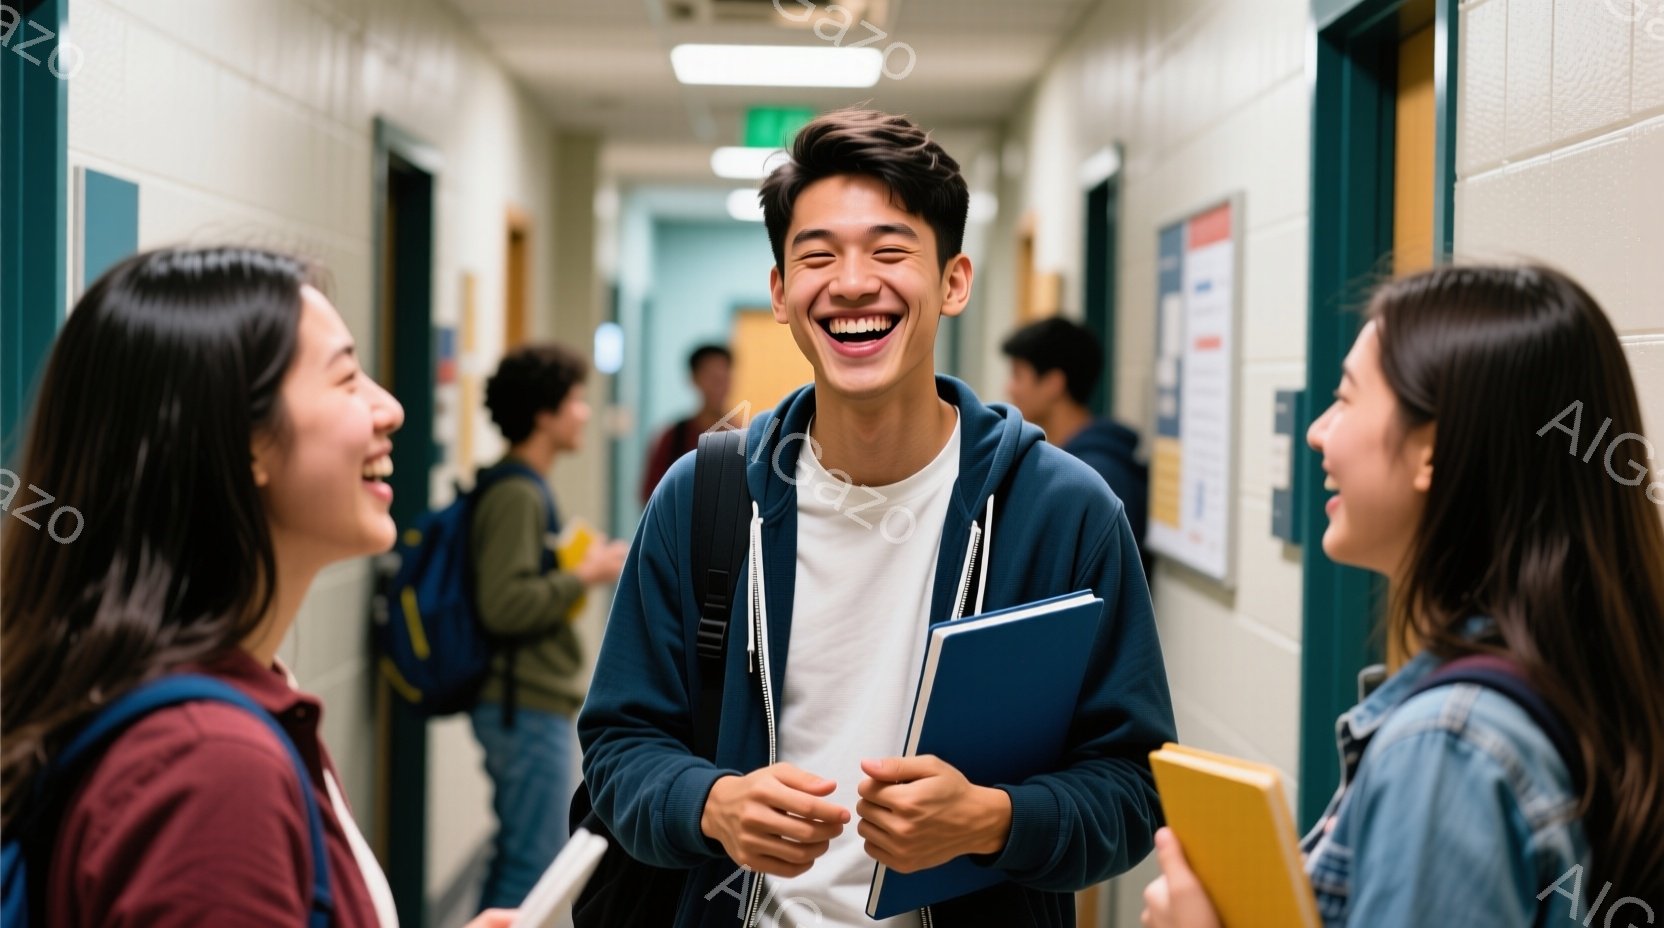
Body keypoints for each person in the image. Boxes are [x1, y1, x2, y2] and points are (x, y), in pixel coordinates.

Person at [579, 108, 1176, 927]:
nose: (854, 283)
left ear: (954, 282)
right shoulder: (702, 499)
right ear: (781, 293)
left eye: (890, 251)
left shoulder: (1062, 511)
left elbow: (1132, 785)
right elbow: (619, 746)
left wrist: (995, 820)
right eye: (817, 256)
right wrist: (711, 803)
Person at [0, 246, 515, 928]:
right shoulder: (208, 765)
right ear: (245, 441)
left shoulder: (162, 699)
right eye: (346, 378)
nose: (389, 408)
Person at [1142, 264, 1664, 927]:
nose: (1317, 431)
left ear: (1432, 450)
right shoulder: (1574, 685)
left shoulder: (1447, 747)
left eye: (1345, 398)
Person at [470, 342, 629, 911]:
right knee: (531, 864)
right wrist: (583, 576)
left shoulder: (522, 485)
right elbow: (504, 603)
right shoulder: (516, 494)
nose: (584, 412)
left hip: (526, 700)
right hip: (523, 702)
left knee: (518, 853)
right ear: (544, 413)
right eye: (576, 400)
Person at [1002, 316, 1149, 553]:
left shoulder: (1098, 475)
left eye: (1018, 376)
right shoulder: (1065, 462)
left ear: (1053, 384)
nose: (1009, 388)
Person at [640, 343, 735, 503]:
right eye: (711, 376)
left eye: (723, 376)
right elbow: (651, 496)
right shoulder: (674, 437)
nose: (718, 384)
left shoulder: (747, 435)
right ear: (694, 379)